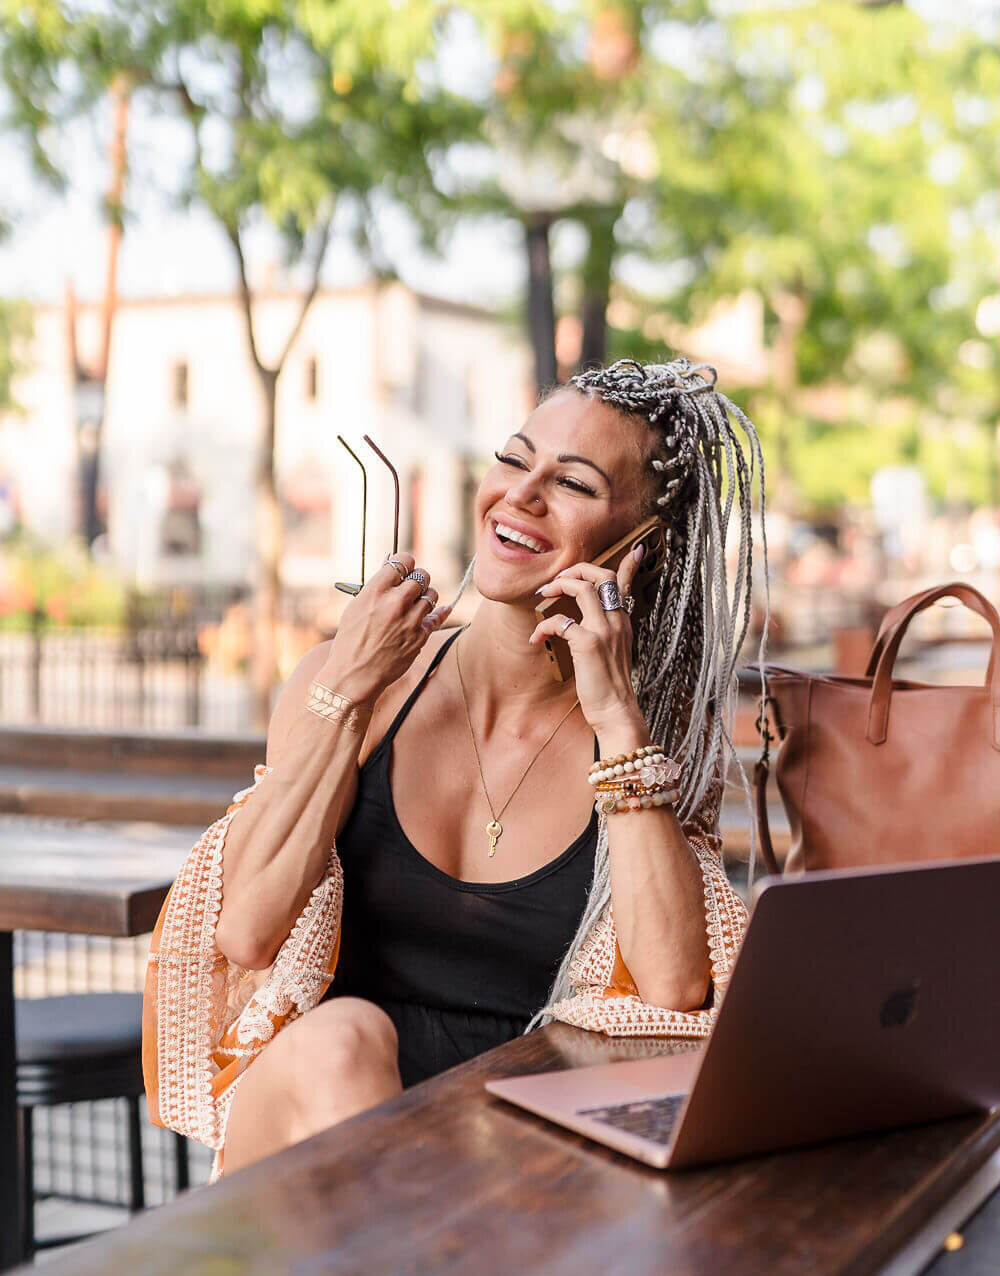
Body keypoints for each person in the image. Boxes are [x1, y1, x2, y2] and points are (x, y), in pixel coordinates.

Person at [145, 357, 768, 1176]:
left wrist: (618, 720)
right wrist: (349, 694)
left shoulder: (646, 740)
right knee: (342, 1039)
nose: (522, 493)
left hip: (508, 1167)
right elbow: (249, 929)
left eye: (573, 483)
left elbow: (673, 990)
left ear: (641, 547)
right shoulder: (351, 679)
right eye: (514, 459)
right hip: (316, 1144)